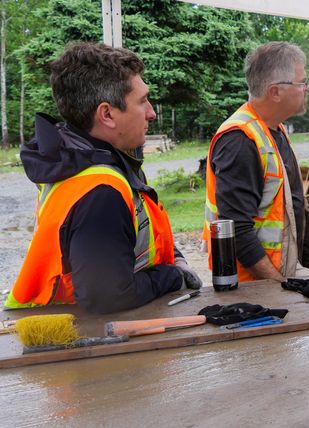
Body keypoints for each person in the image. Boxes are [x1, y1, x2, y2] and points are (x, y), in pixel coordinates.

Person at [5, 42, 201, 314]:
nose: (151, 113)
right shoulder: (100, 192)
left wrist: (174, 257)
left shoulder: (86, 160)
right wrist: (172, 276)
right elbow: (108, 295)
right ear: (107, 114)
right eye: (142, 101)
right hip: (82, 339)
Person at [204, 42, 309, 282]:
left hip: (276, 279)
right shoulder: (240, 139)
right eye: (302, 82)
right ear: (275, 91)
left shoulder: (274, 129)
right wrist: (279, 285)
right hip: (256, 288)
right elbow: (238, 231)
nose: (307, 88)